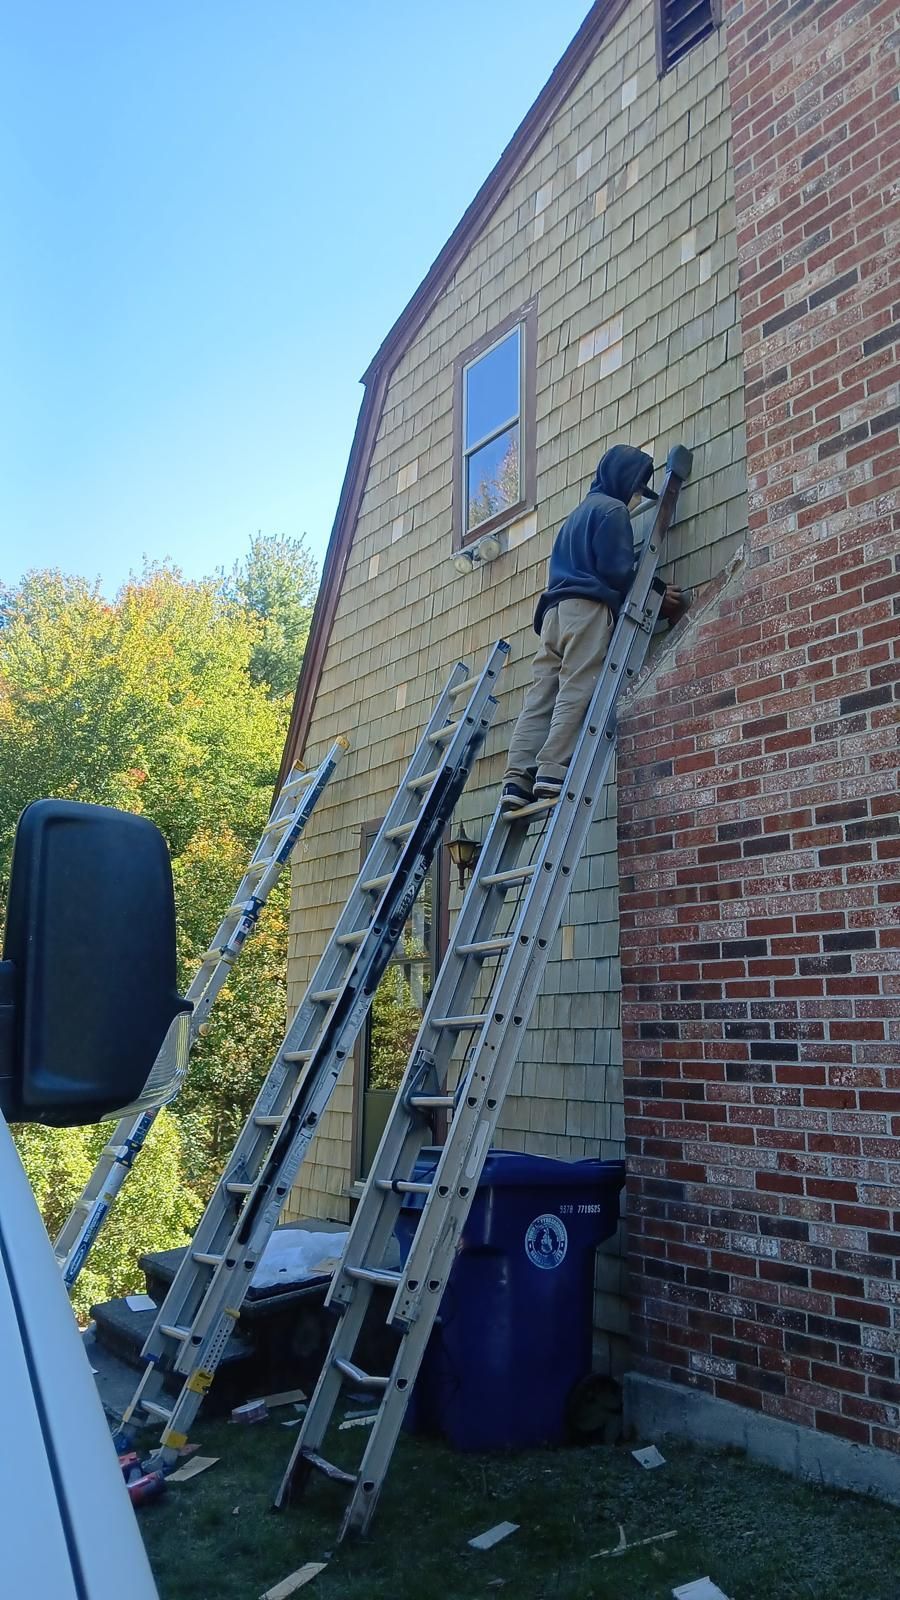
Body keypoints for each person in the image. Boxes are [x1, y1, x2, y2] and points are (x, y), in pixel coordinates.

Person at [501, 445, 684, 815]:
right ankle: (553, 770)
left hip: (552, 614)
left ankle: (517, 779)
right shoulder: (612, 511)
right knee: (578, 684)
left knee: (541, 697)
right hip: (586, 609)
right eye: (637, 490)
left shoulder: (576, 516)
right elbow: (618, 572)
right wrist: (658, 594)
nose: (636, 501)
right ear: (625, 482)